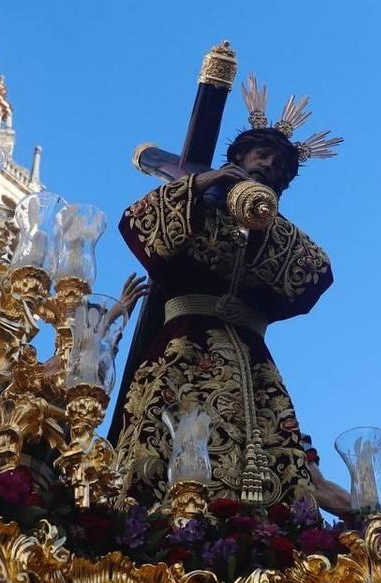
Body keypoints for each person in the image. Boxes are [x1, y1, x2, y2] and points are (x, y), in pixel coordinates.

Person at [111, 86, 348, 513]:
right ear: (237, 160)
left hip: (253, 366)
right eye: (262, 156)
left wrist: (264, 222)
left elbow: (315, 276)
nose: (270, 166)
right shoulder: (194, 209)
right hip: (183, 351)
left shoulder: (280, 236)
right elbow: (138, 222)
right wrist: (205, 185)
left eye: (279, 167)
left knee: (269, 454)